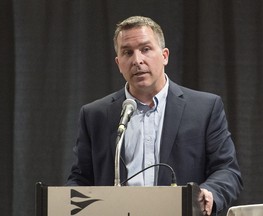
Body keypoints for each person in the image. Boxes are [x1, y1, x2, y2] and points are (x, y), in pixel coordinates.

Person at [67, 16, 243, 215]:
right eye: (127, 52)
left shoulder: (204, 108)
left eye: (146, 49)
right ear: (118, 63)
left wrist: (210, 193)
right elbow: (81, 179)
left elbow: (227, 170)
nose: (137, 60)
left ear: (165, 56)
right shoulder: (95, 115)